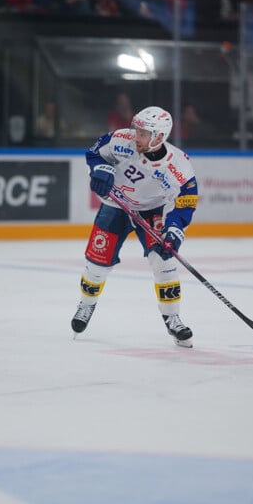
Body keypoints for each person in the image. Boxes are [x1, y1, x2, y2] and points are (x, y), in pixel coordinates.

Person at [71, 106, 199, 347]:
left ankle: (173, 318)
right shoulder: (121, 139)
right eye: (136, 130)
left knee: (164, 262)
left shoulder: (179, 165)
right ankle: (86, 305)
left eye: (142, 133)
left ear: (159, 137)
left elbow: (185, 202)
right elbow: (95, 153)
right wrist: (100, 169)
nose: (135, 136)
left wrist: (174, 230)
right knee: (97, 263)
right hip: (115, 205)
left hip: (152, 211)